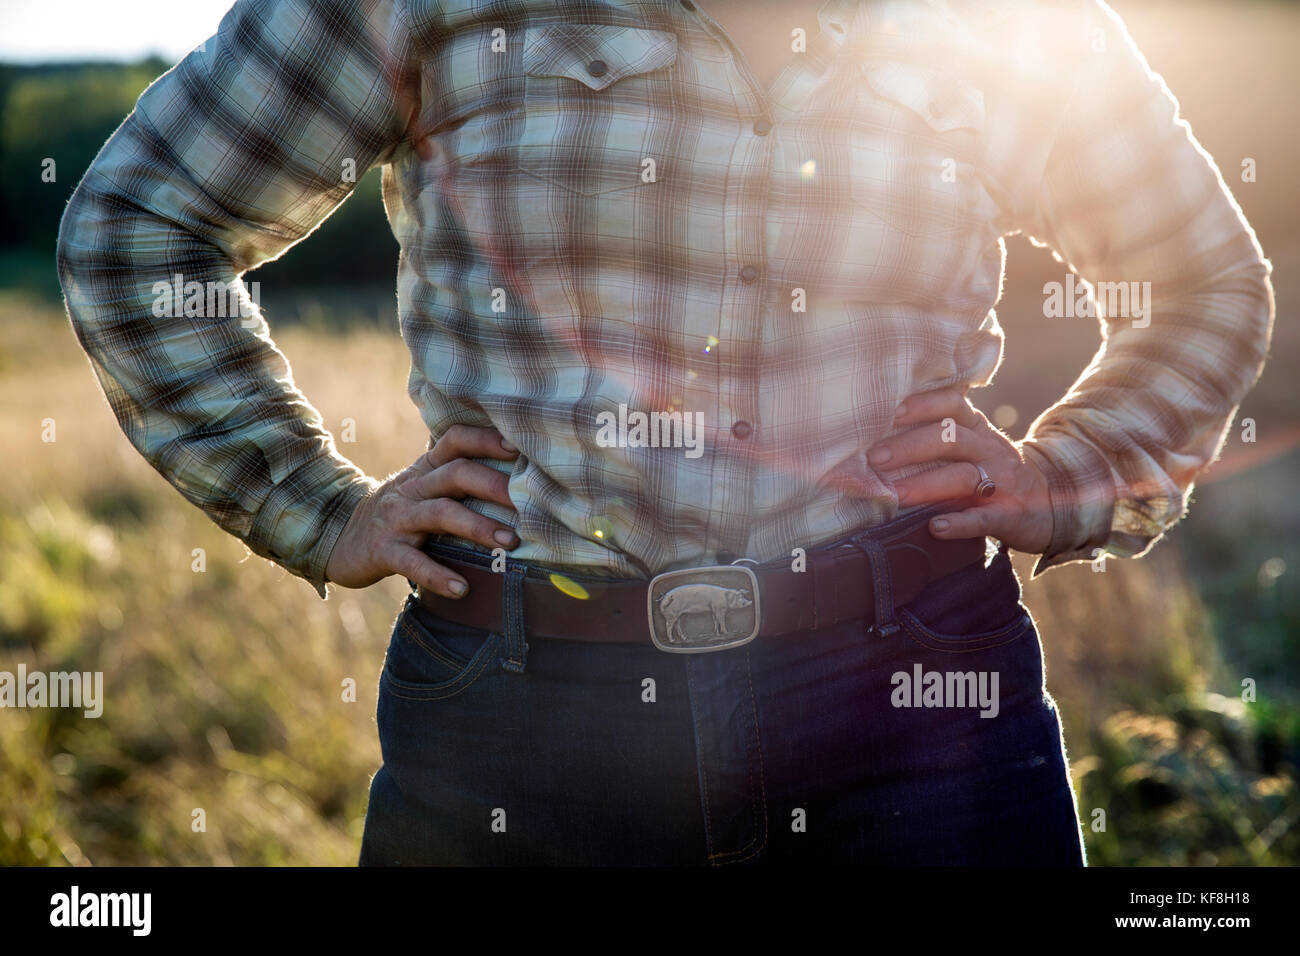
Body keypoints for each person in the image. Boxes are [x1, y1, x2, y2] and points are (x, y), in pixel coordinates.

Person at [57, 0, 1273, 865]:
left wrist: (1071, 475)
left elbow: (1206, 282)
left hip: (915, 701)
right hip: (521, 706)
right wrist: (316, 503)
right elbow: (140, 224)